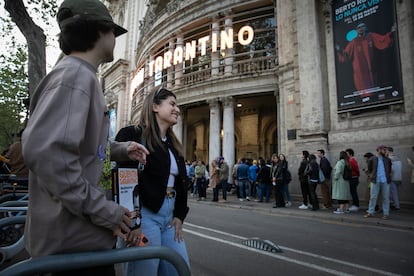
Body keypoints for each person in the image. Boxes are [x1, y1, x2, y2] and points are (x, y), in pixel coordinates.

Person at [21, 1, 149, 275]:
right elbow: (48, 155)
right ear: (100, 31)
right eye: (113, 32)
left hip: (79, 244)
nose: (115, 39)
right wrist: (104, 210)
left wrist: (120, 149)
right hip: (71, 251)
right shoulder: (74, 76)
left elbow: (81, 148)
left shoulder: (79, 75)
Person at [124, 87, 190, 275]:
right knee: (144, 271)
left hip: (170, 218)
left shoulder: (174, 145)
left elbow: (181, 183)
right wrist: (133, 222)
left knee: (179, 268)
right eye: (172, 104)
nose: (177, 109)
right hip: (145, 215)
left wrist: (179, 215)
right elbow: (123, 181)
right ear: (155, 106)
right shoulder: (133, 135)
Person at [336, 22, 396, 94]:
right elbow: (346, 55)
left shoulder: (371, 36)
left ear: (366, 28)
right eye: (358, 28)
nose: (361, 29)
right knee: (364, 89)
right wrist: (339, 49)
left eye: (362, 27)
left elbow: (382, 40)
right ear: (356, 30)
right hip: (361, 73)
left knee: (375, 87)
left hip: (373, 69)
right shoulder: (354, 42)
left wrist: (391, 33)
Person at [364, 145, 392, 220]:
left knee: (386, 198)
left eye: (385, 150)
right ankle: (370, 212)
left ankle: (386, 214)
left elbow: (389, 170)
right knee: (373, 197)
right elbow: (368, 170)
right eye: (384, 149)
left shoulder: (388, 160)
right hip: (375, 180)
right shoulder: (372, 159)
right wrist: (371, 176)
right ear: (378, 150)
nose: (385, 151)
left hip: (385, 180)